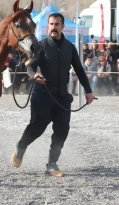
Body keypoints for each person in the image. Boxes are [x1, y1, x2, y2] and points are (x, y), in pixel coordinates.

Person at [11, 13, 95, 177]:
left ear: (62, 27)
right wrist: (35, 75)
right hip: (42, 95)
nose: (54, 27)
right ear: (47, 26)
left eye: (57, 24)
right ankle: (21, 147)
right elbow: (30, 67)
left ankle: (51, 163)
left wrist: (88, 90)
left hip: (62, 96)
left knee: (62, 129)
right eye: (51, 24)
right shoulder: (40, 46)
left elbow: (79, 70)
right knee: (37, 127)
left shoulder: (70, 48)